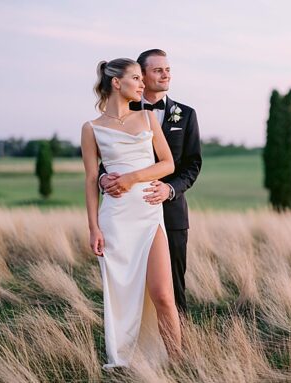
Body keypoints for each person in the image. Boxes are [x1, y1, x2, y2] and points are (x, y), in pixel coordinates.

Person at [81, 58, 181, 368]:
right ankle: (127, 358)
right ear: (116, 82)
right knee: (123, 294)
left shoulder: (148, 118)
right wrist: (94, 229)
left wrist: (132, 178)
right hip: (115, 220)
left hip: (149, 214)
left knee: (163, 294)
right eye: (136, 78)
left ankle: (178, 362)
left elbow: (168, 164)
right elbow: (89, 179)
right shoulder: (92, 128)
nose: (142, 84)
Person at [100, 49, 202, 314]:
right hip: (129, 212)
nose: (165, 74)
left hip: (171, 213)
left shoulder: (187, 114)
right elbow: (107, 158)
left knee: (173, 287)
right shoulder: (123, 113)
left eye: (167, 69)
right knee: (130, 284)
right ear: (142, 75)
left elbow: (193, 164)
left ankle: (180, 347)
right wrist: (103, 179)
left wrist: (170, 189)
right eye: (158, 70)